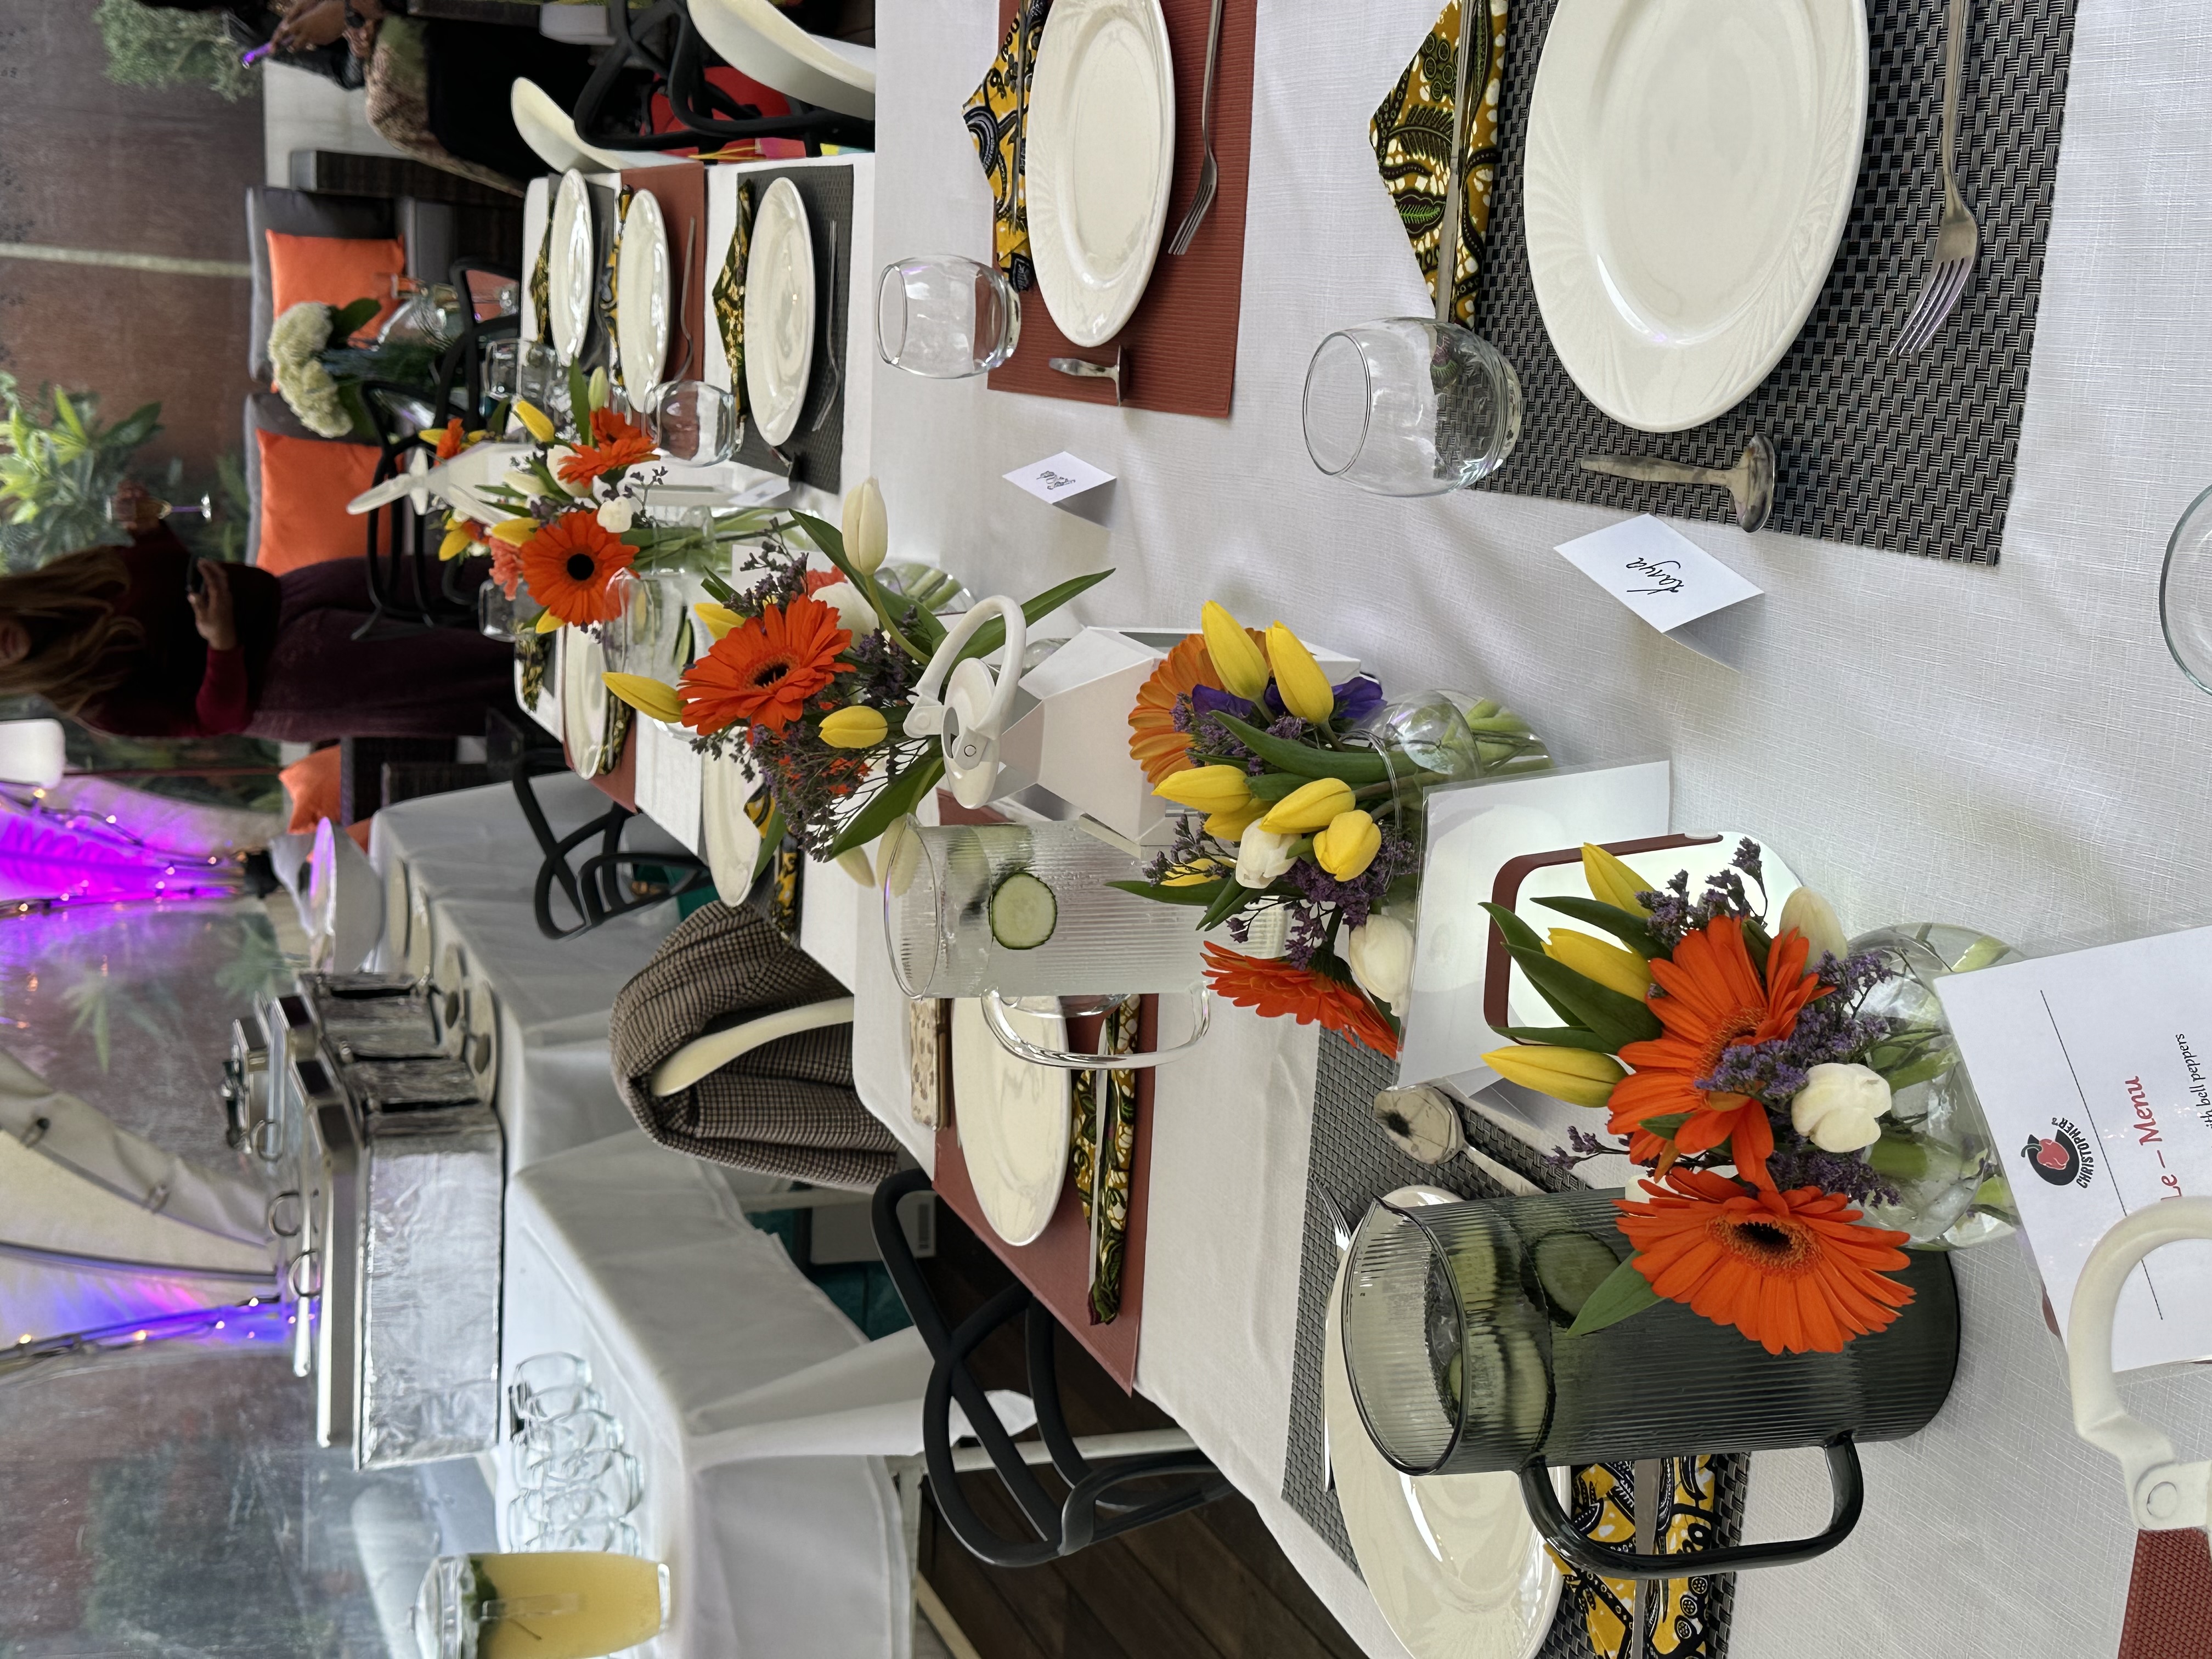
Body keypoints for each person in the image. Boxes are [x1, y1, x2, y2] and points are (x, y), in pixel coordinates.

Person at [0, 525, 520, 743]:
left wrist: (151, 531)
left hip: (289, 593)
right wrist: (223, 644)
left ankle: (602, 575)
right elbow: (215, 720)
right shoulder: (91, 700)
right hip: (287, 673)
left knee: (483, 580)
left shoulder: (71, 578)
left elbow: (177, 573)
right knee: (490, 666)